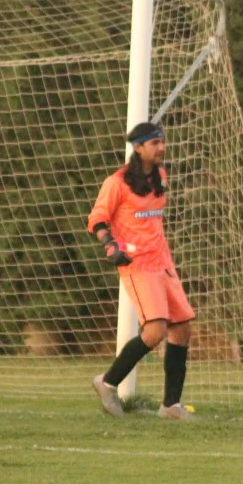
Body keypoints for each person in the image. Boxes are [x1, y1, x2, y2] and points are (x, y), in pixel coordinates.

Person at [89, 122, 194, 420]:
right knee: (156, 330)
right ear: (138, 147)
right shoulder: (117, 182)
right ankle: (107, 382)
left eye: (162, 141)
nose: (161, 147)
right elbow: (97, 218)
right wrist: (110, 245)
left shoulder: (160, 175)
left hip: (163, 262)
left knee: (182, 328)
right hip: (137, 266)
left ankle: (170, 405)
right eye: (154, 143)